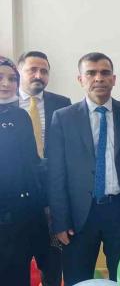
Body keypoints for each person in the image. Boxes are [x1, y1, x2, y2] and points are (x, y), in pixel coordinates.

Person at [48, 52, 120, 284]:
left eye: (105, 73)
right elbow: (56, 174)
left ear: (113, 79)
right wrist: (60, 221)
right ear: (80, 79)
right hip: (79, 215)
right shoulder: (63, 118)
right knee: (78, 277)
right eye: (91, 73)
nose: (99, 78)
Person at [17, 51, 71, 286]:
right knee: (15, 263)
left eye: (44, 71)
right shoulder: (6, 104)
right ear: (20, 72)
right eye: (32, 70)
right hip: (16, 200)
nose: (38, 75)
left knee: (52, 263)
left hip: (52, 198)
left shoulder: (62, 104)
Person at [0, 57, 45, 286]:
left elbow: (31, 165)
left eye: (12, 79)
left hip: (19, 217)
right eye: (0, 77)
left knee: (17, 274)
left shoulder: (20, 117)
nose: (6, 83)